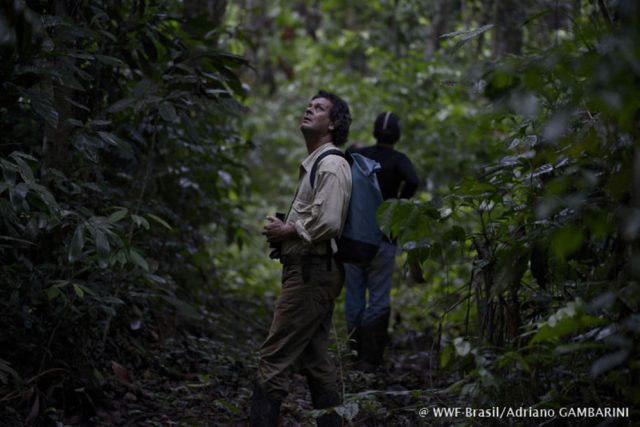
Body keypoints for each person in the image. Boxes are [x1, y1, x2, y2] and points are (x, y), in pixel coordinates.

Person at [249, 90, 353, 427]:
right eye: (309, 105)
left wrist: (288, 230)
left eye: (319, 108)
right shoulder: (317, 163)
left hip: (312, 275)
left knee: (274, 357)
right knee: (316, 360)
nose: (309, 109)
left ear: (333, 124)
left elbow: (330, 221)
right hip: (312, 272)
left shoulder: (332, 164)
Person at [345, 111, 418, 370]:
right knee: (378, 297)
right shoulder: (399, 160)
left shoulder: (359, 155)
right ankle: (371, 357)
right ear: (397, 136)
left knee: (354, 295)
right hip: (384, 237)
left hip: (354, 236)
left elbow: (343, 163)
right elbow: (413, 180)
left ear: (375, 132)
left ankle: (354, 353)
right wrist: (399, 204)